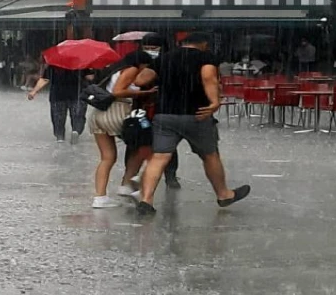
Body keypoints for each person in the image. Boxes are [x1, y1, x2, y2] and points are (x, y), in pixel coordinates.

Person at [134, 32, 251, 215]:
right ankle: (223, 194)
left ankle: (146, 200)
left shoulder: (165, 58)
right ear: (203, 44)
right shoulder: (206, 57)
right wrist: (214, 102)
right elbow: (208, 77)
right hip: (197, 115)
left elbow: (141, 79)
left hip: (165, 114)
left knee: (160, 157)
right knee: (210, 155)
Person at [85, 50, 158, 208]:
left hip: (98, 115)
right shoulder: (131, 69)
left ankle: (100, 198)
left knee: (107, 157)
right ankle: (130, 182)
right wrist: (144, 92)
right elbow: (118, 91)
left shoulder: (114, 69)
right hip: (117, 111)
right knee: (147, 145)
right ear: (141, 63)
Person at [122, 33, 182, 191]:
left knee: (167, 143)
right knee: (137, 141)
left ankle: (170, 175)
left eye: (154, 48)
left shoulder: (169, 62)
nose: (150, 51)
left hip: (162, 108)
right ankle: (131, 175)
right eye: (146, 48)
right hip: (141, 108)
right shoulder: (137, 61)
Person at [28, 65, 89, 144]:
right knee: (78, 115)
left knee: (58, 118)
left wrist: (34, 91)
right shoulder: (81, 63)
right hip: (77, 94)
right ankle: (76, 131)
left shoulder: (54, 64)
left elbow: (45, 79)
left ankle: (60, 136)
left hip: (57, 94)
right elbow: (90, 77)